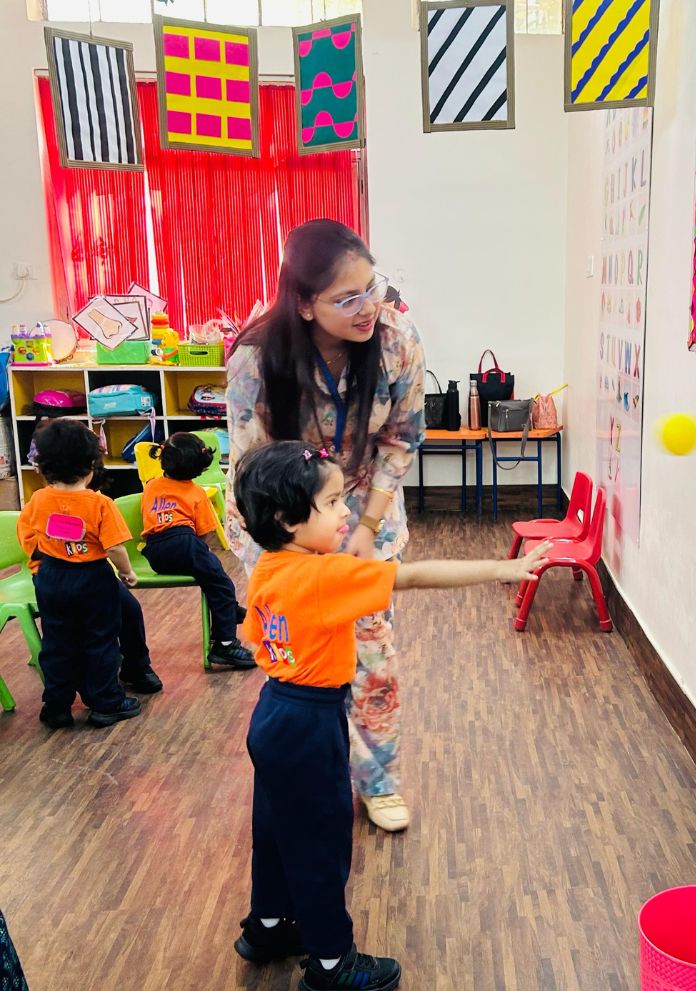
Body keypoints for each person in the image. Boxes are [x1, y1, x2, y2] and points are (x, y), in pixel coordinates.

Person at [230, 442, 549, 991]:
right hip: (309, 723)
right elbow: (414, 576)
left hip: (273, 711)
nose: (346, 513)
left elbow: (255, 639)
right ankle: (331, 964)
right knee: (321, 843)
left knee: (276, 827)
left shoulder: (269, 569)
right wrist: (502, 567)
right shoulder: (325, 575)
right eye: (333, 503)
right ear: (286, 519)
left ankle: (269, 926)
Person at [227, 218, 425, 832]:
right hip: (282, 517)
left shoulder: (395, 339)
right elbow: (254, 465)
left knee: (370, 651)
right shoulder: (256, 355)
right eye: (347, 298)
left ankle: (378, 781)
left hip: (362, 506)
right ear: (305, 303)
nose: (368, 308)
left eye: (372, 288)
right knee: (303, 659)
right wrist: (294, 549)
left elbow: (401, 439)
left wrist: (363, 528)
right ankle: (310, 773)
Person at [16, 419, 142, 728]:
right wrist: (127, 573)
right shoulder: (100, 504)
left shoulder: (38, 500)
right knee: (101, 640)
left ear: (43, 467)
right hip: (93, 579)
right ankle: (106, 703)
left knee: (57, 642)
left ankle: (57, 707)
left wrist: (45, 560)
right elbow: (115, 548)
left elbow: (28, 536)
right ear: (91, 466)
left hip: (52, 578)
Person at [141, 433, 255, 670]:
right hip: (185, 543)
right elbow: (203, 534)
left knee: (214, 579)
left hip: (155, 552)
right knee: (222, 584)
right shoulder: (197, 493)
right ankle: (224, 644)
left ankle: (229, 609)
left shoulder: (151, 485)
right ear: (198, 468)